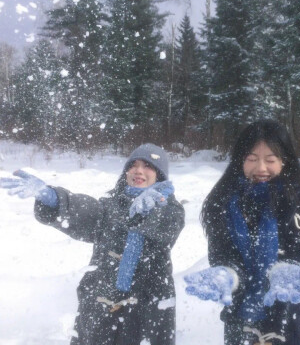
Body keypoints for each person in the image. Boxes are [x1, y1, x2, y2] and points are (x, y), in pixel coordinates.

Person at [0, 143, 185, 345]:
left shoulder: (170, 210)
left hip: (147, 312)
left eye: (148, 166)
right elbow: (88, 212)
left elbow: (165, 228)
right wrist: (56, 200)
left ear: (160, 175)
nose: (138, 170)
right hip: (98, 307)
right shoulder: (109, 206)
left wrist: (153, 210)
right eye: (134, 165)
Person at [184, 120, 300, 345]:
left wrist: (287, 269)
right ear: (240, 160)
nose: (261, 168)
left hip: (299, 317)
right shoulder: (224, 203)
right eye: (252, 158)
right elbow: (223, 253)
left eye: (270, 159)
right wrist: (229, 274)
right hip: (244, 318)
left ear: (284, 161)